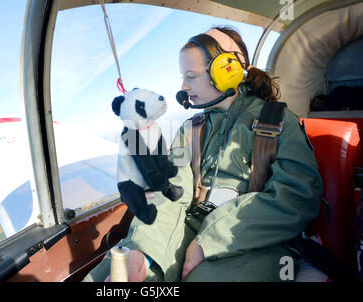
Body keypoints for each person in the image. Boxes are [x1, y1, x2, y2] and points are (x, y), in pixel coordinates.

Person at [83, 26, 322, 282]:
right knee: (114, 276)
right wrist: (144, 252)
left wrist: (208, 242)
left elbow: (296, 197)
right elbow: (170, 193)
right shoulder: (191, 129)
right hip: (184, 228)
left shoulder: (278, 122)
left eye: (191, 76)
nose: (183, 86)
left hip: (250, 237)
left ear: (226, 70)